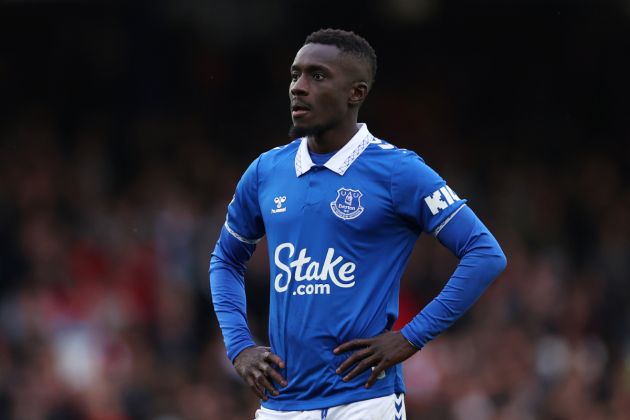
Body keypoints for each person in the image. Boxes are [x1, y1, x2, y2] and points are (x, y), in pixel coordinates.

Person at [210, 28, 507, 420]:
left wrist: (410, 337)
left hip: (364, 401)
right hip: (280, 404)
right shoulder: (266, 171)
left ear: (357, 92)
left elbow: (485, 253)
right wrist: (239, 346)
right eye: (295, 75)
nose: (299, 88)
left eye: (317, 76)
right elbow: (226, 260)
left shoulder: (398, 170)